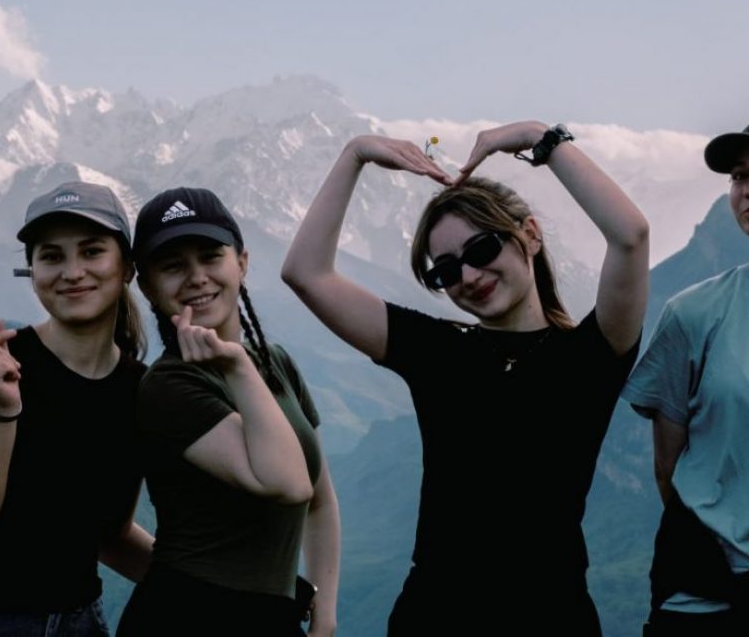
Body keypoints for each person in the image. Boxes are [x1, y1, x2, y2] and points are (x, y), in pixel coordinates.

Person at [281, 121, 649, 634]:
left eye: (482, 250)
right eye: (446, 271)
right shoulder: (437, 350)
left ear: (530, 235)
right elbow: (306, 273)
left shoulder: (590, 354)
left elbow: (631, 235)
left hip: (550, 616)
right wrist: (355, 154)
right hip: (434, 615)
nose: (469, 277)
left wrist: (540, 140)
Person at [117, 187, 339, 637]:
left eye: (210, 257)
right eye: (173, 265)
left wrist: (325, 610)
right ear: (147, 287)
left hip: (272, 618)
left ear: (241, 262)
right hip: (186, 615)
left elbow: (319, 500)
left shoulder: (275, 364)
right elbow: (289, 484)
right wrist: (236, 366)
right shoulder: (168, 386)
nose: (197, 277)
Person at [0, 181, 153, 636]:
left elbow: (112, 535)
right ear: (33, 271)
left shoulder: (139, 390)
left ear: (126, 268)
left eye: (92, 251)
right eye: (52, 256)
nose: (72, 272)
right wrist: (2, 407)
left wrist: (223, 596)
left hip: (82, 621)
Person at [622, 124, 749, 636]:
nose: (746, 191)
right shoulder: (692, 313)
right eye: (739, 177)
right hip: (704, 595)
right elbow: (667, 469)